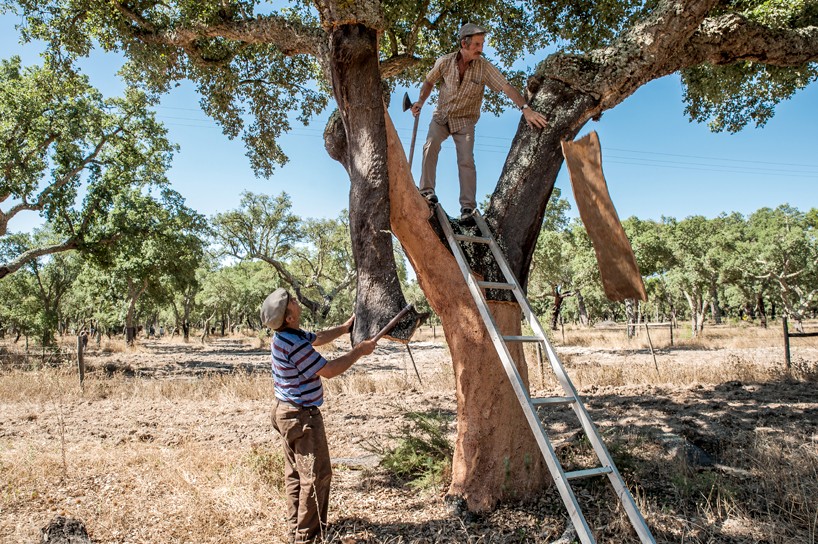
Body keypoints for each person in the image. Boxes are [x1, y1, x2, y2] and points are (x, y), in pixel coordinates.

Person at [261, 288, 377, 544]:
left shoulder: (287, 335)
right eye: (291, 301)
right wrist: (359, 351)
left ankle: (297, 530)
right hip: (302, 418)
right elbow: (330, 370)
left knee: (295, 474)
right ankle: (309, 538)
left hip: (285, 411)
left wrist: (345, 328)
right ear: (289, 317)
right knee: (316, 475)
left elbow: (319, 337)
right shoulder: (296, 345)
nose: (295, 301)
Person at [411, 23, 549, 219]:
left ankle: (468, 208)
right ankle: (426, 191)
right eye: (476, 44)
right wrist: (420, 102)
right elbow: (429, 81)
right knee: (430, 145)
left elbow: (506, 87)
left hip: (465, 121)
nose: (480, 48)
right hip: (441, 116)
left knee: (466, 160)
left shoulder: (484, 67)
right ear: (464, 43)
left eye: (482, 44)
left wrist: (526, 109)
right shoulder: (444, 62)